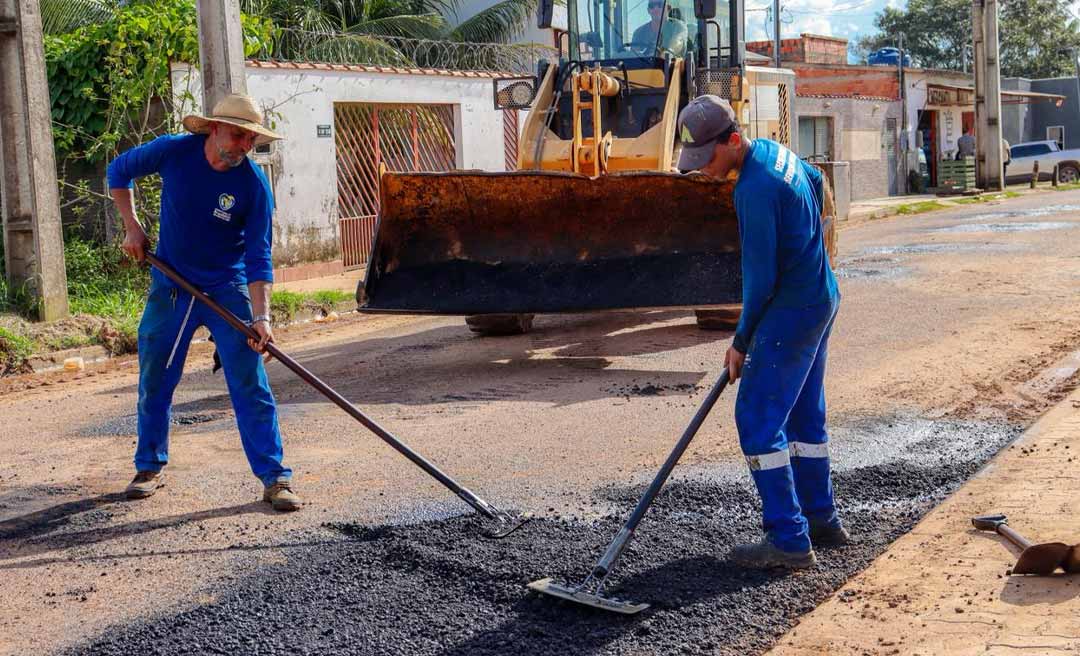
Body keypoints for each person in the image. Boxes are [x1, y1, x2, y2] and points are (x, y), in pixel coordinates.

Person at [106, 93, 302, 512]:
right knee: (156, 376)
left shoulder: (253, 186)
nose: (244, 146)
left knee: (249, 381)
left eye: (251, 140)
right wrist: (133, 227)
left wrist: (262, 317)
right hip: (172, 285)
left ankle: (275, 477)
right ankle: (149, 466)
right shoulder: (174, 151)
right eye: (238, 136)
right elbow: (118, 172)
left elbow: (258, 255)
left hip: (227, 289)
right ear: (213, 129)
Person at [677, 95, 845, 569]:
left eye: (706, 159)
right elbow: (815, 181)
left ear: (732, 140)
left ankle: (789, 540)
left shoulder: (752, 189)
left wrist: (741, 340)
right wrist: (814, 243)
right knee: (803, 417)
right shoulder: (777, 153)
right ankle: (822, 520)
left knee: (756, 419)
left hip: (790, 309)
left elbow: (760, 280)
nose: (702, 169)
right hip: (820, 297)